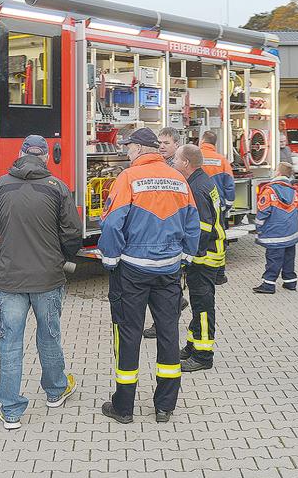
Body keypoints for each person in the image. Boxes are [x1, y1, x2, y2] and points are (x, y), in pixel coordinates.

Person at [0, 135, 83, 430]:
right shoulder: (57, 188)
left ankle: (11, 410)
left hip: (10, 281)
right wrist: (61, 257)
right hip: (48, 279)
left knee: (9, 345)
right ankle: (55, 391)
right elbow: (73, 234)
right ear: (46, 157)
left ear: (20, 153)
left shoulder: (0, 186)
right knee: (49, 337)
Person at [98, 128, 199, 424]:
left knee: (129, 334)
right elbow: (193, 221)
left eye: (129, 147)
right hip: (168, 270)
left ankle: (124, 407)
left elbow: (113, 222)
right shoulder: (179, 179)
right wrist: (186, 254)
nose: (127, 152)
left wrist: (110, 257)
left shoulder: (128, 178)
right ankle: (165, 406)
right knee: (168, 334)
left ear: (141, 149)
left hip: (132, 268)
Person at [169, 144, 225, 373]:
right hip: (209, 252)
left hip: (204, 255)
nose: (172, 162)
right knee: (198, 304)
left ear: (185, 163)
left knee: (203, 306)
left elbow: (201, 228)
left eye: (176, 159)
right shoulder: (201, 181)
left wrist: (188, 255)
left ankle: (203, 356)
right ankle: (193, 345)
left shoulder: (197, 187)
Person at [252, 163, 298, 294]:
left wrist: (258, 228)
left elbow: (263, 212)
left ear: (278, 173)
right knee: (289, 259)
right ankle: (290, 282)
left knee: (273, 259)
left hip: (275, 234)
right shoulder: (294, 190)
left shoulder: (269, 191)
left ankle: (268, 284)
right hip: (291, 233)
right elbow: (297, 210)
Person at [198, 130, 233, 285]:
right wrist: (228, 205)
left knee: (200, 234)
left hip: (198, 204)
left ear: (201, 141)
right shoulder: (221, 160)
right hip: (218, 204)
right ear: (215, 143)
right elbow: (229, 184)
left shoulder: (195, 157)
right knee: (219, 237)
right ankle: (219, 272)